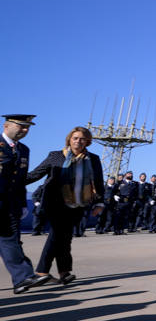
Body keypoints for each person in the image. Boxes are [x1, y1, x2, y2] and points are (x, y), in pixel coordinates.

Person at [27, 126, 105, 286]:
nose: (78, 141)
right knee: (56, 235)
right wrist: (10, 180)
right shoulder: (55, 156)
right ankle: (41, 272)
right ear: (69, 139)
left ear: (87, 141)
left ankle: (64, 272)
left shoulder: (93, 159)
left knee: (65, 238)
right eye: (75, 138)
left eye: (82, 138)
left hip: (78, 204)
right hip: (55, 203)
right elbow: (36, 174)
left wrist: (99, 202)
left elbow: (98, 182)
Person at [1, 114, 40, 294]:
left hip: (12, 204)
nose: (25, 130)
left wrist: (23, 203)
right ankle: (24, 276)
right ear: (6, 125)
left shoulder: (24, 149)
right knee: (9, 240)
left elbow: (20, 179)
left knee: (11, 240)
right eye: (22, 126)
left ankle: (23, 277)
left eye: (28, 127)